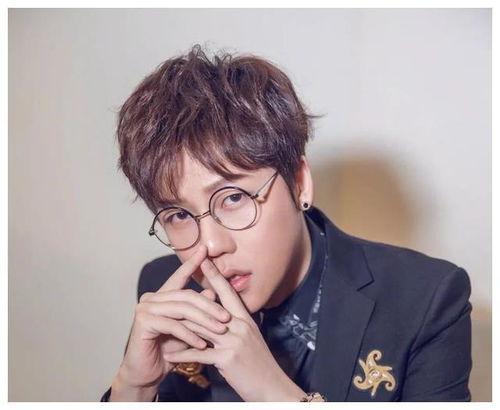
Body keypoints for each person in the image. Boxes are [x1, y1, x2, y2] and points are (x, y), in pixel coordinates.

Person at [100, 44, 472, 402]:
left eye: (233, 198)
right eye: (179, 215)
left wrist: (274, 394)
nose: (210, 245)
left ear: (299, 183)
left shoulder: (426, 300)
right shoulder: (165, 289)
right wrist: (133, 389)